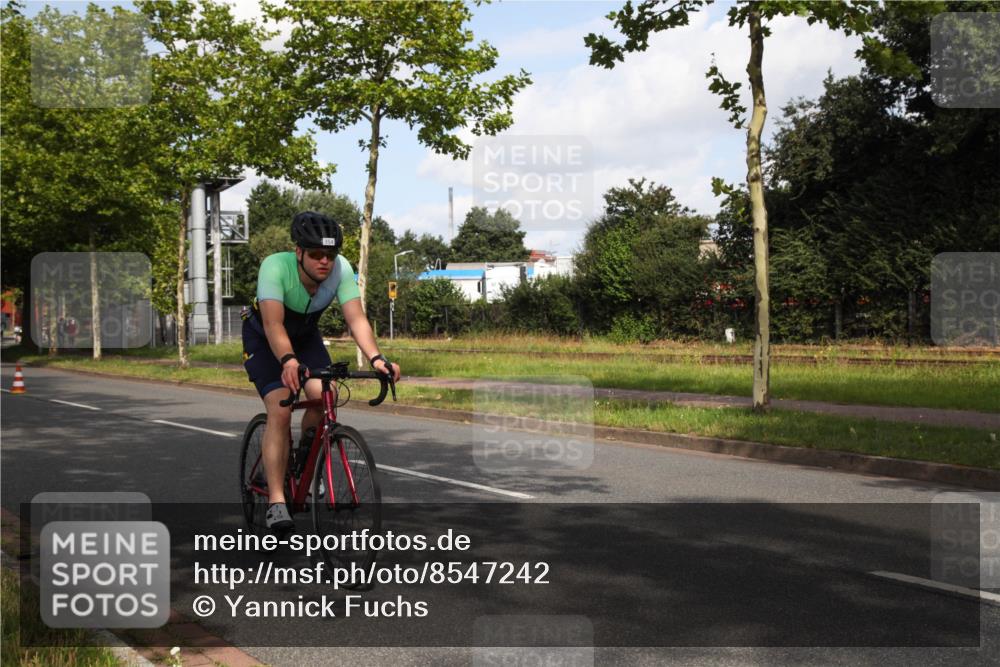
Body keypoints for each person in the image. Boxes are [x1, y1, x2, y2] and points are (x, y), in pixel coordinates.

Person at [242, 211, 400, 533]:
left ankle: (302, 459)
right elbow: (273, 324)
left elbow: (356, 319)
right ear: (298, 251)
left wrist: (377, 359)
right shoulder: (275, 266)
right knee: (281, 406)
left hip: (306, 337)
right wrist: (287, 361)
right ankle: (275, 501)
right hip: (265, 338)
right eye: (315, 254)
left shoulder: (340, 270)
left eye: (330, 254)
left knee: (323, 394)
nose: (324, 261)